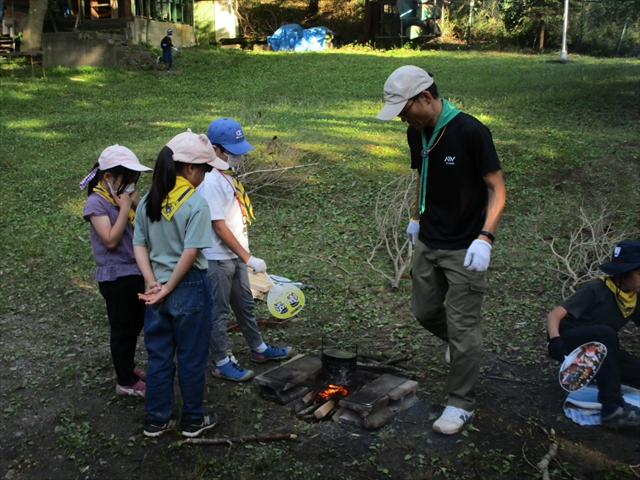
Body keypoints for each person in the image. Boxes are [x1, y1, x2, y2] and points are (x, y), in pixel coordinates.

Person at [377, 65, 506, 435]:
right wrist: (417, 217)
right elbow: (424, 177)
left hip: (466, 246)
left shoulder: (471, 131)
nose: (403, 117)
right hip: (429, 240)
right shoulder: (415, 133)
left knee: (464, 327)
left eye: (405, 109)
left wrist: (486, 238)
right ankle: (461, 345)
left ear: (426, 98)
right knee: (423, 309)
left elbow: (497, 188)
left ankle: (460, 404)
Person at [133, 130, 229, 438]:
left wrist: (152, 282)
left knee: (159, 355)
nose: (204, 176)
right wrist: (170, 286)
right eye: (205, 169)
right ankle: (192, 419)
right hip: (187, 287)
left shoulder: (149, 199)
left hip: (155, 290)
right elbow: (191, 251)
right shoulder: (195, 204)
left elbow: (139, 245)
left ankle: (156, 419)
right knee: (191, 356)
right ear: (190, 169)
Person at [196, 118, 293, 382]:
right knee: (218, 312)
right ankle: (220, 361)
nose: (237, 156)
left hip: (235, 255)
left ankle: (259, 349)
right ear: (215, 149)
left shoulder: (225, 175)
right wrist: (248, 257)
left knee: (245, 305)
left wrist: (243, 257)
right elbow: (218, 226)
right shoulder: (210, 181)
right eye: (232, 150)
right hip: (217, 258)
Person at [80, 145, 152, 398]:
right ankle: (124, 380)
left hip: (132, 271)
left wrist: (134, 203)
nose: (132, 184)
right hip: (114, 277)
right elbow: (110, 240)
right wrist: (124, 208)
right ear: (108, 177)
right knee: (122, 328)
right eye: (127, 178)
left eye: (134, 178)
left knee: (135, 324)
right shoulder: (96, 203)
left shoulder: (121, 197)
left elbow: (143, 225)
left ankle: (128, 366)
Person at [547, 240, 640, 427]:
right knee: (605, 333)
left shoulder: (634, 297)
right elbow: (554, 315)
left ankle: (603, 379)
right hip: (569, 343)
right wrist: (555, 341)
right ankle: (612, 408)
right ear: (623, 272)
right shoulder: (596, 289)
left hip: (602, 350)